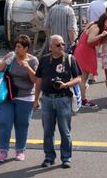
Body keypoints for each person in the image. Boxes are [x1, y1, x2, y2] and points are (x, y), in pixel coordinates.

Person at [34, 35, 81, 169]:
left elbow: (79, 78)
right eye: (58, 45)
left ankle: (66, 158)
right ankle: (49, 157)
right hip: (47, 99)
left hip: (63, 99)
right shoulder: (43, 60)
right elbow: (38, 80)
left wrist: (66, 85)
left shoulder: (70, 59)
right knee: (48, 131)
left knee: (65, 130)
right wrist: (36, 99)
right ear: (50, 47)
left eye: (63, 44)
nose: (61, 47)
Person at [0, 35, 39, 162]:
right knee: (3, 122)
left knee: (22, 125)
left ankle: (20, 150)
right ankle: (3, 151)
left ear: (26, 48)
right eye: (16, 46)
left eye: (19, 47)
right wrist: (5, 61)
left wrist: (28, 68)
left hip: (25, 97)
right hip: (8, 96)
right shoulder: (11, 57)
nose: (16, 49)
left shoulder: (33, 61)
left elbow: (36, 80)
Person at [73, 13, 107, 109]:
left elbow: (98, 42)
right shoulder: (97, 27)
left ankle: (81, 98)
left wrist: (106, 34)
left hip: (86, 51)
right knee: (83, 77)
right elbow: (89, 41)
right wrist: (102, 35)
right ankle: (83, 100)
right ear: (102, 21)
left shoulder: (97, 27)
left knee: (83, 77)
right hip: (84, 51)